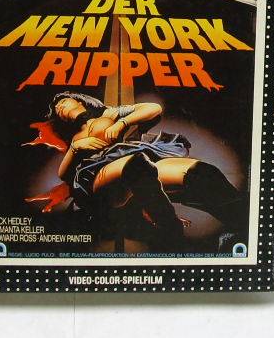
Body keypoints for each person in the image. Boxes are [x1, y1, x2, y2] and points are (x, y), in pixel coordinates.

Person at [27, 92, 246, 253]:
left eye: (64, 102)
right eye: (58, 109)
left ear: (79, 100)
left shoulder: (110, 113)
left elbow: (153, 109)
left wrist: (122, 122)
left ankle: (242, 224)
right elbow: (64, 174)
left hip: (140, 164)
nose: (60, 107)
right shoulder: (74, 138)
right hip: (97, 180)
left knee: (200, 172)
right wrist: (76, 148)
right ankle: (171, 234)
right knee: (135, 165)